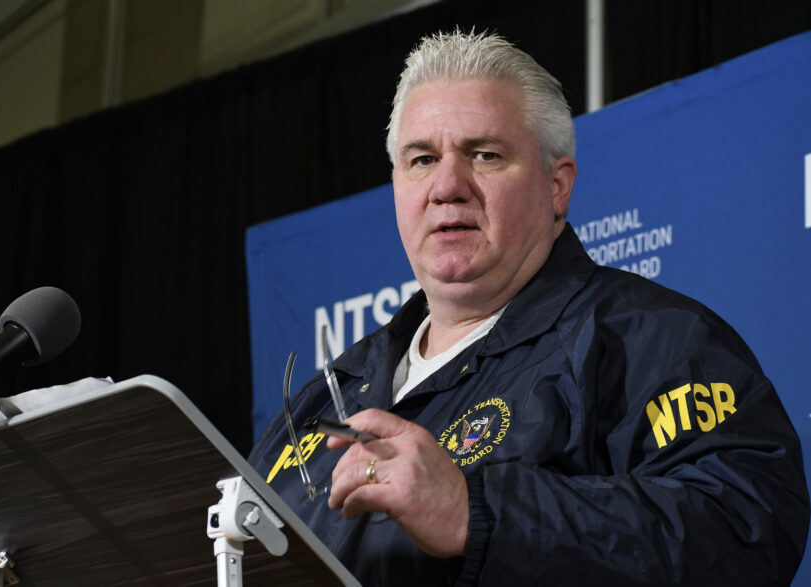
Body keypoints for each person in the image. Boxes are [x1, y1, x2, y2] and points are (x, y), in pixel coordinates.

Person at [248, 29, 809, 585]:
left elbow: (743, 527)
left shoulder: (650, 343)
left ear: (556, 186)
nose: (447, 186)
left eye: (484, 154)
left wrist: (478, 512)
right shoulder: (322, 399)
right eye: (422, 159)